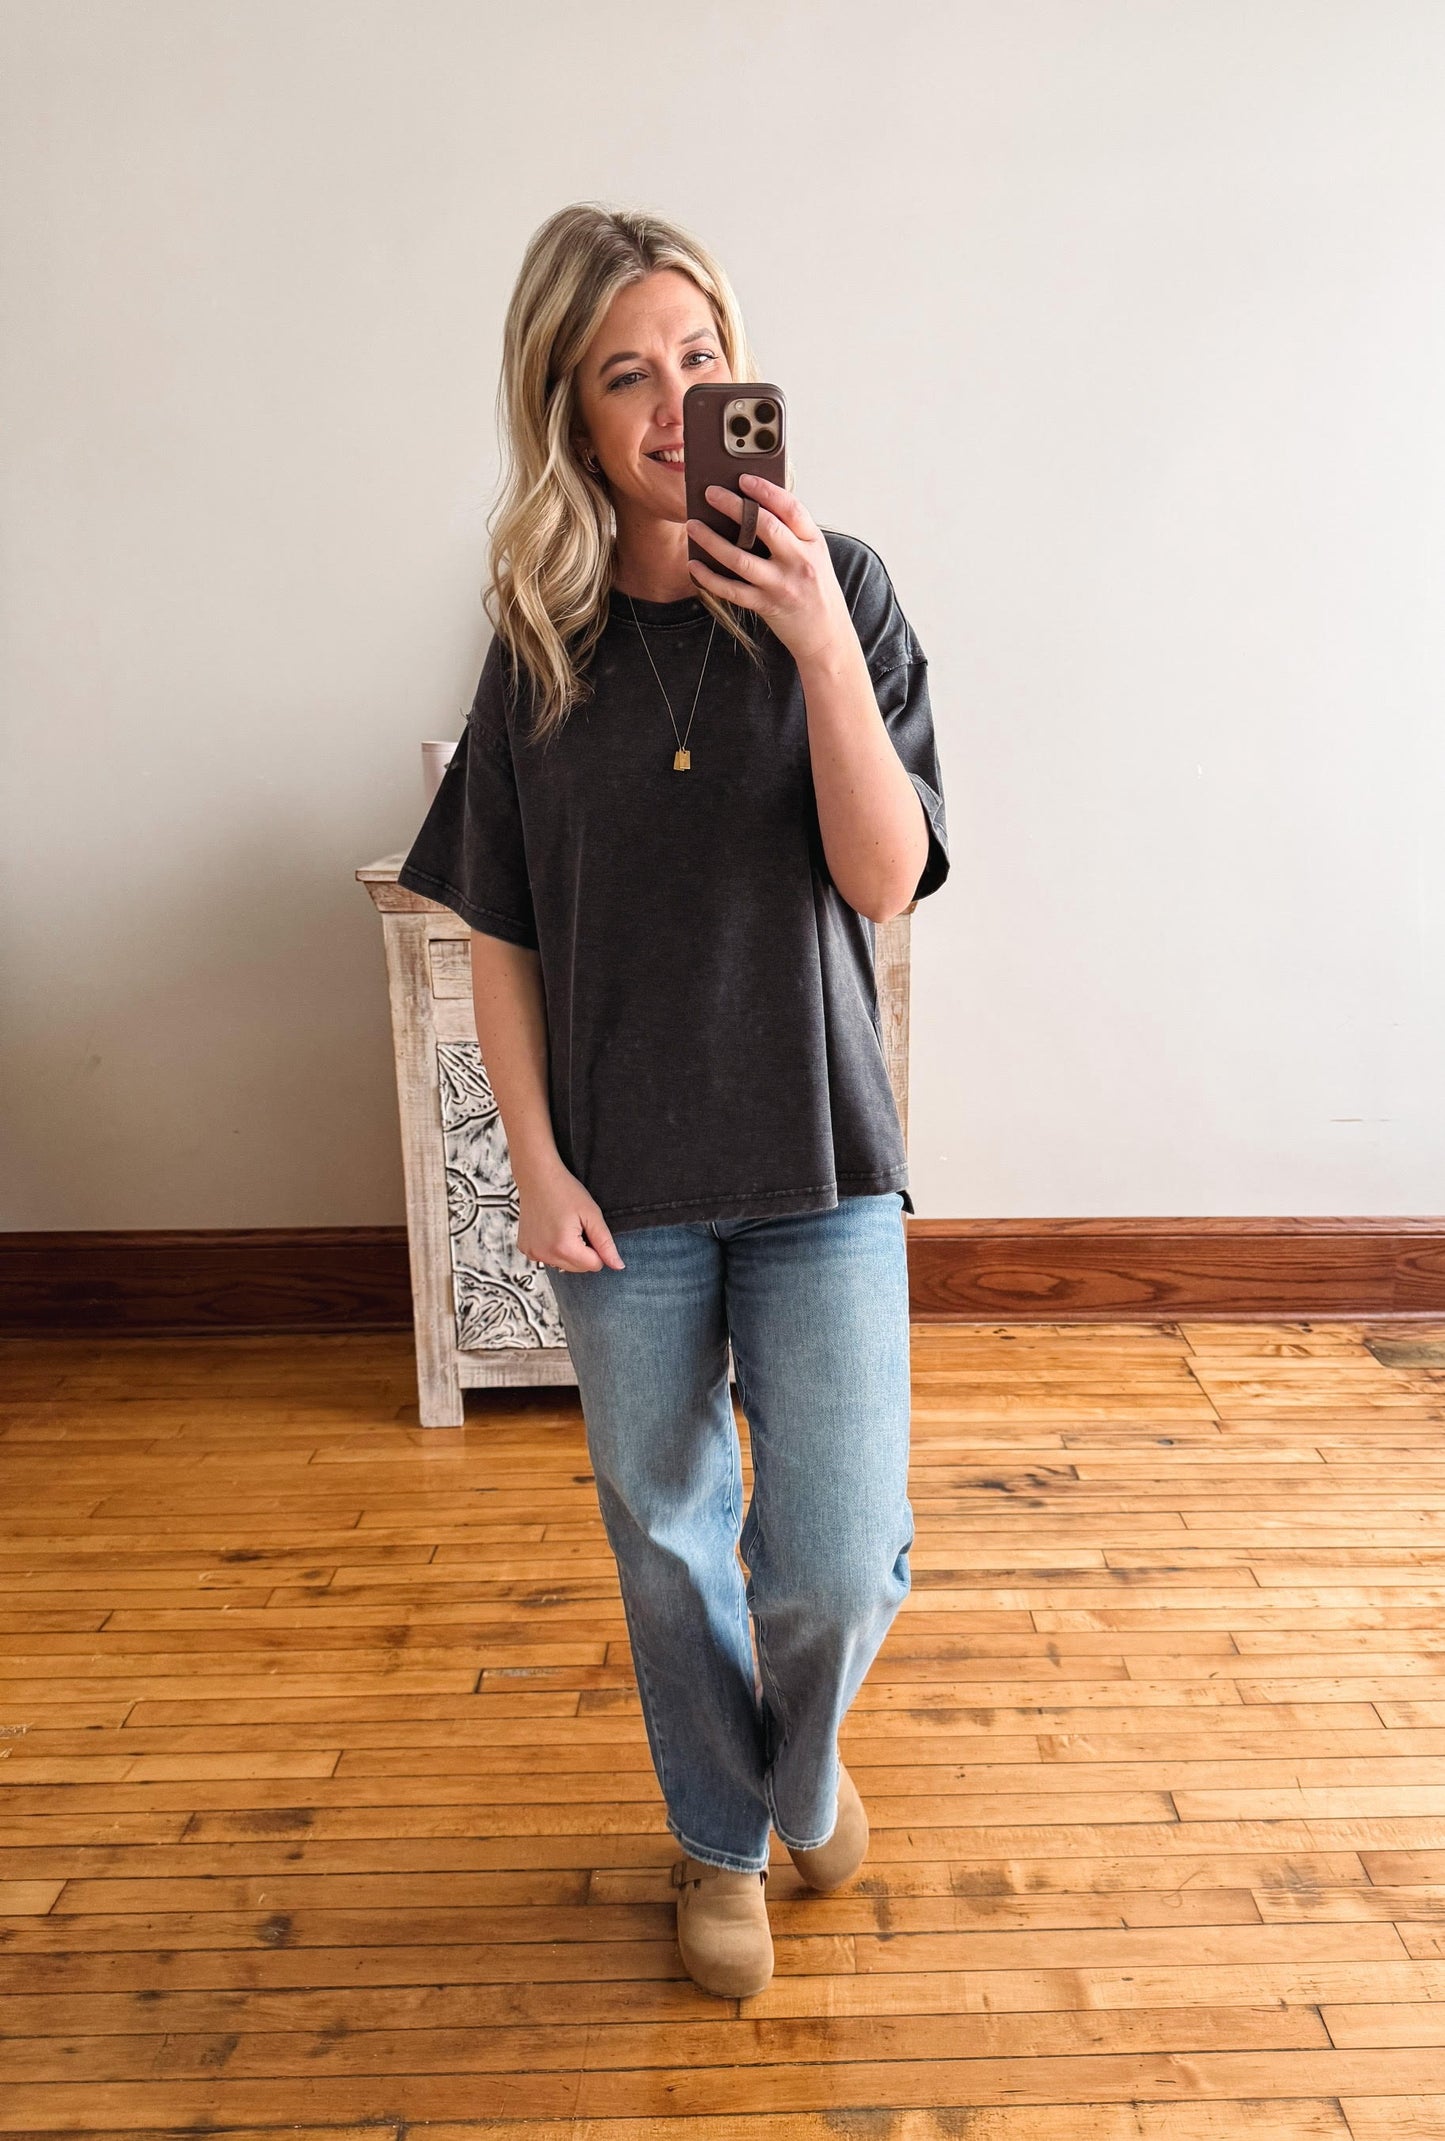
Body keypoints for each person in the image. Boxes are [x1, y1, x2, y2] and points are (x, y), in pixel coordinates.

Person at [397, 202, 950, 1999]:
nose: (671, 401)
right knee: (663, 1538)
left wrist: (811, 642)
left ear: (743, 375)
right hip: (619, 1190)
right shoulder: (536, 640)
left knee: (841, 1559)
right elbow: (500, 930)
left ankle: (797, 1766)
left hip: (818, 1160)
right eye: (626, 373)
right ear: (565, 409)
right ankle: (719, 1838)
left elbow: (884, 880)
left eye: (699, 360)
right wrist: (536, 1164)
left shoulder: (841, 584)